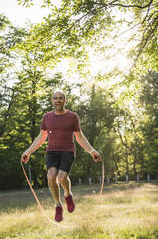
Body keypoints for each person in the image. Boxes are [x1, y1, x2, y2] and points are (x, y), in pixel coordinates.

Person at [21, 90, 102, 222]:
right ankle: (58, 205)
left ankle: (68, 194)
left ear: (65, 100)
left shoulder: (73, 117)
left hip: (68, 151)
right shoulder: (47, 117)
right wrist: (28, 151)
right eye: (55, 98)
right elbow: (41, 137)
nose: (57, 100)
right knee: (51, 175)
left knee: (62, 176)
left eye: (60, 98)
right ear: (52, 101)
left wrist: (92, 151)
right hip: (51, 151)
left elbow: (79, 137)